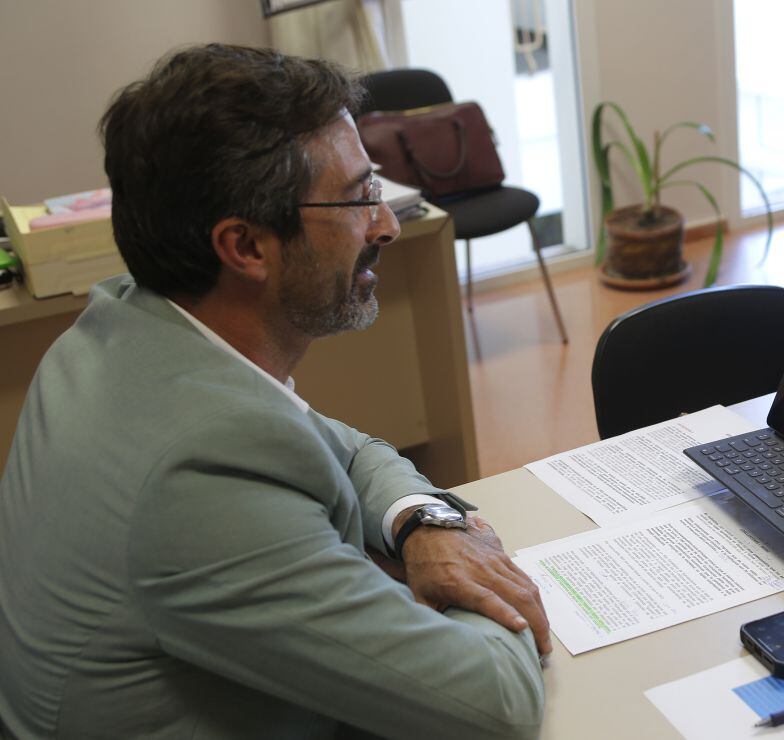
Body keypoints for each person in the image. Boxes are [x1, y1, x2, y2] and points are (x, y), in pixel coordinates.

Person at [0, 45, 548, 739]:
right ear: (246, 247)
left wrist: (423, 524)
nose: (384, 224)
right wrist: (476, 567)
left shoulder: (117, 328)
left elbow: (341, 448)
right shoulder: (197, 479)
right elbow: (495, 705)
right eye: (357, 198)